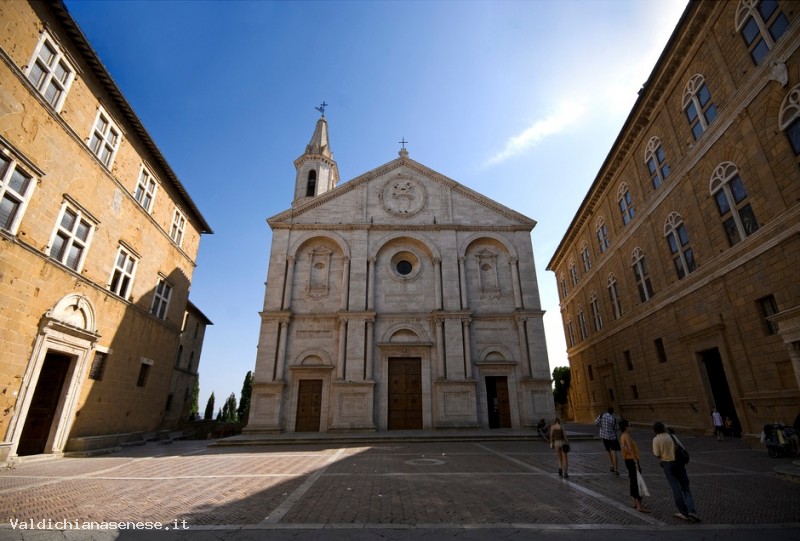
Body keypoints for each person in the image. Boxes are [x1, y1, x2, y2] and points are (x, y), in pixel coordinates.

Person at [652, 421, 700, 523]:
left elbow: (656, 454)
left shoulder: (656, 439)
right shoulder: (672, 436)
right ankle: (692, 511)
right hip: (679, 464)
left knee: (676, 489)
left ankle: (684, 513)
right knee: (686, 488)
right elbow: (682, 448)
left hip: (667, 464)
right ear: (663, 428)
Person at [619, 420, 649, 513]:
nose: (632, 427)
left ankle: (635, 503)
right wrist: (636, 461)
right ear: (626, 427)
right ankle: (639, 505)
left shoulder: (623, 436)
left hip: (628, 460)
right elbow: (630, 449)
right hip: (632, 460)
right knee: (637, 481)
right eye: (630, 425)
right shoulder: (626, 436)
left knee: (633, 480)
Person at [595, 407, 620, 475]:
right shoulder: (613, 418)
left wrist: (601, 426)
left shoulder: (601, 415)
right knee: (614, 452)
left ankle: (611, 466)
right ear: (612, 412)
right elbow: (616, 428)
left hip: (604, 436)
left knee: (608, 451)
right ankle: (616, 469)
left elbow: (596, 422)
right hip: (612, 437)